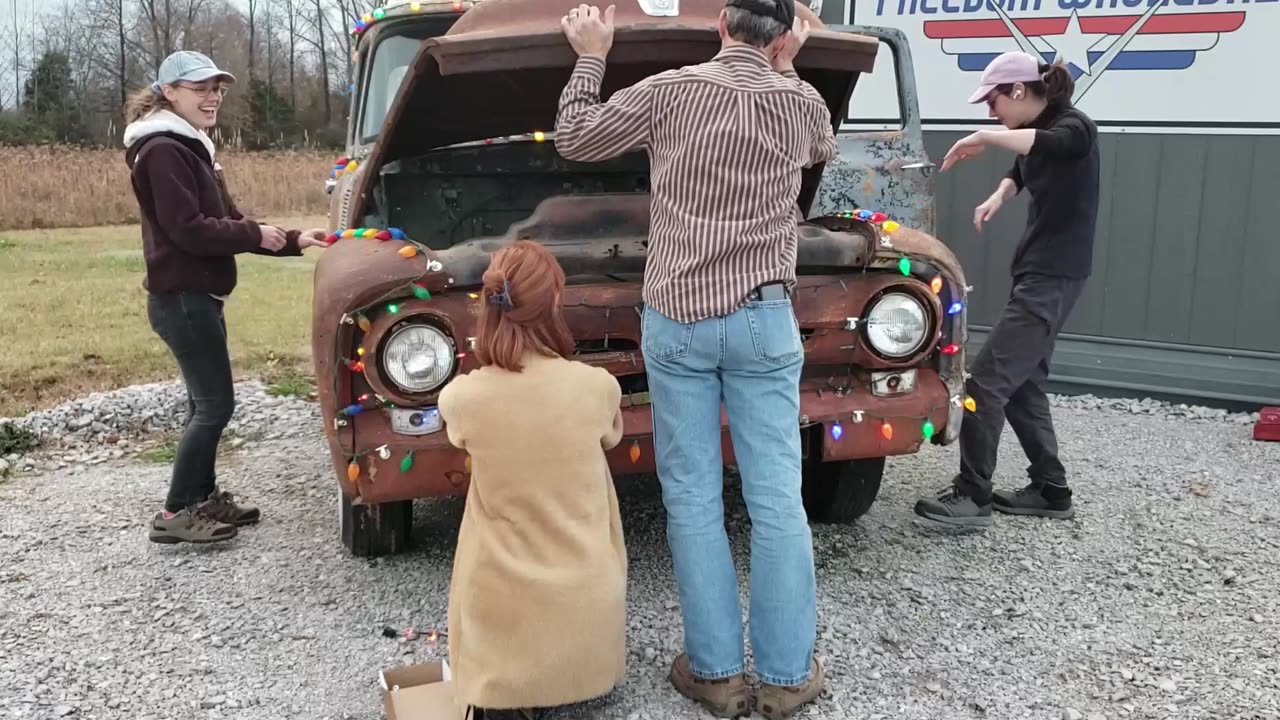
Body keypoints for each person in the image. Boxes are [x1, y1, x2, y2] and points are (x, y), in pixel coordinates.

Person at [555, 3, 836, 718]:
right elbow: (817, 149)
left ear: (719, 26)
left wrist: (593, 52)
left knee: (692, 496)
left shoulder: (670, 90)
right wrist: (789, 64)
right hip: (765, 319)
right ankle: (785, 676)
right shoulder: (802, 101)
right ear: (780, 39)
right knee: (776, 497)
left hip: (678, 318)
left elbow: (574, 138)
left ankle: (714, 673)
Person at [123, 51, 330, 544]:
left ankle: (203, 499)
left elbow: (234, 223)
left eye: (217, 88)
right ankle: (176, 513)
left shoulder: (192, 148)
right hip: (181, 299)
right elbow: (189, 230)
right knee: (215, 405)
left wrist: (295, 239)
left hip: (198, 297)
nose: (212, 96)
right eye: (200, 88)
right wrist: (256, 234)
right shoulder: (162, 150)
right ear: (169, 92)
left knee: (206, 405)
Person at [437, 241, 628, 720]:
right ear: (555, 303)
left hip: (500, 616)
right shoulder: (597, 387)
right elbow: (609, 437)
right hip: (586, 610)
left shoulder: (463, 398)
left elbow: (460, 437)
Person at [912, 51, 1100, 528]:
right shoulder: (1049, 125)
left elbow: (1047, 145)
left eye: (992, 103)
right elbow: (1026, 163)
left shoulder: (1075, 129)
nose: (989, 112)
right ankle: (1051, 490)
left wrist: (982, 138)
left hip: (1052, 276)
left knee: (987, 384)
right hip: (1044, 272)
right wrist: (1000, 193)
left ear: (1018, 92)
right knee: (1023, 385)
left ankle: (973, 496)